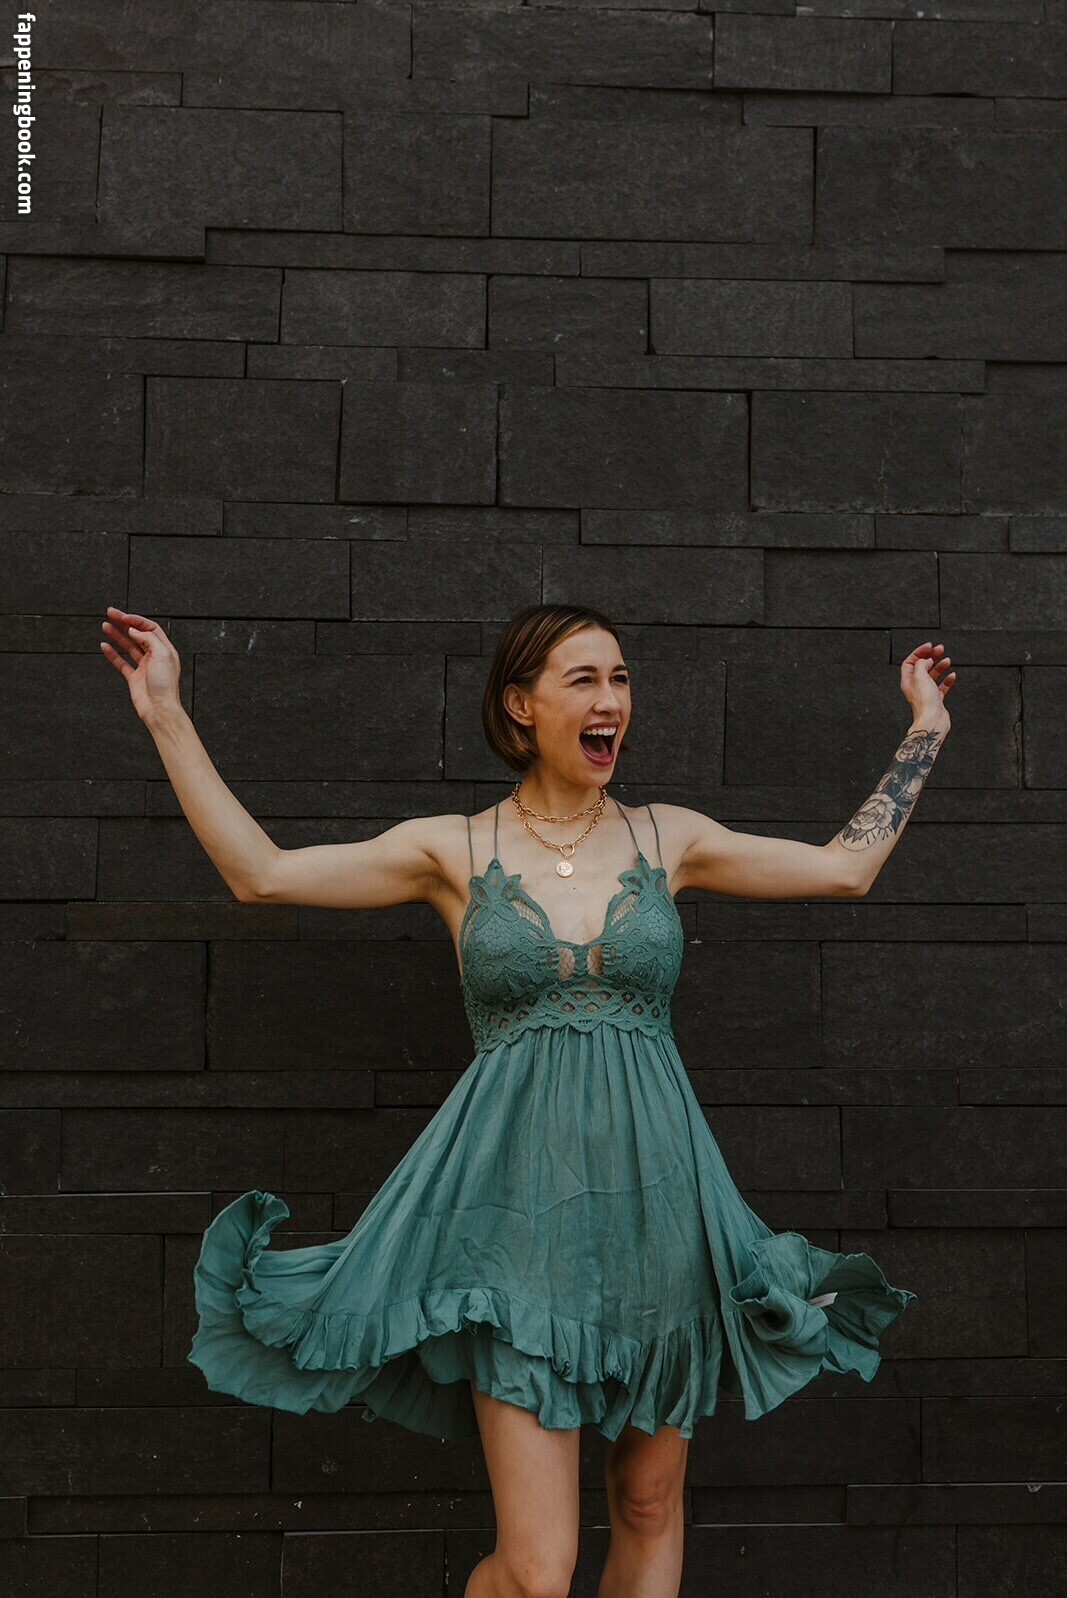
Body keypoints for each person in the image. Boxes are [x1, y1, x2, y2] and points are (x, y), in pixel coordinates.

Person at [100, 600, 955, 1598]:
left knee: (646, 1506)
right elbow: (263, 875)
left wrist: (925, 730)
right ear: (521, 704)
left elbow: (845, 869)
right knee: (538, 1568)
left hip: (662, 1220)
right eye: (583, 679)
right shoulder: (454, 850)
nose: (610, 700)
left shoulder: (667, 837)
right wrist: (166, 712)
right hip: (512, 1231)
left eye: (620, 679)